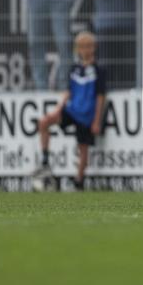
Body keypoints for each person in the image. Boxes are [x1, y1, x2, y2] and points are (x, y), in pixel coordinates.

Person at [34, 31, 106, 191]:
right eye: (81, 47)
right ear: (77, 49)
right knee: (44, 122)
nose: (85, 50)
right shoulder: (74, 69)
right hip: (72, 110)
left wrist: (96, 120)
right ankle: (45, 161)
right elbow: (68, 92)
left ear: (93, 48)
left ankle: (78, 182)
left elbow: (101, 97)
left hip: (87, 116)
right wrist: (57, 110)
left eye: (88, 46)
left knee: (83, 151)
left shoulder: (98, 70)